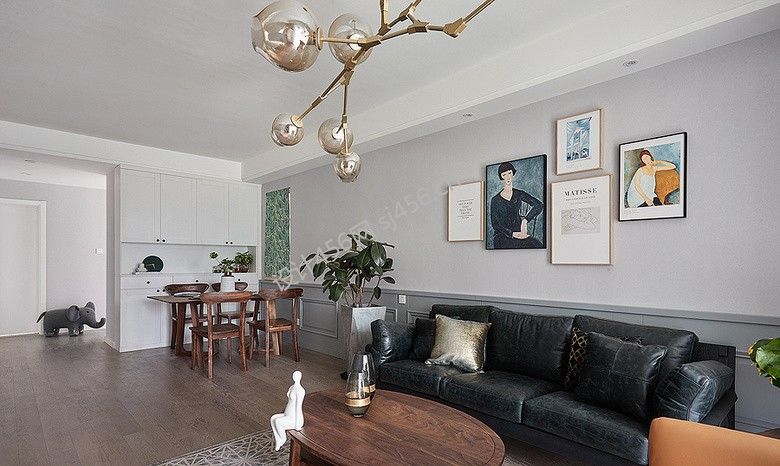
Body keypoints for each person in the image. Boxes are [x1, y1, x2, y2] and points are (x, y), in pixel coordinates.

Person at [490, 161, 543, 248]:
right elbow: (495, 225)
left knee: (538, 245)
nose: (507, 177)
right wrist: (512, 233)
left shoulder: (519, 194)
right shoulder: (495, 200)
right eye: (504, 174)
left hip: (519, 234)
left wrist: (525, 220)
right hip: (502, 236)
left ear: (513, 174)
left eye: (509, 173)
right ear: (501, 177)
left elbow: (539, 205)